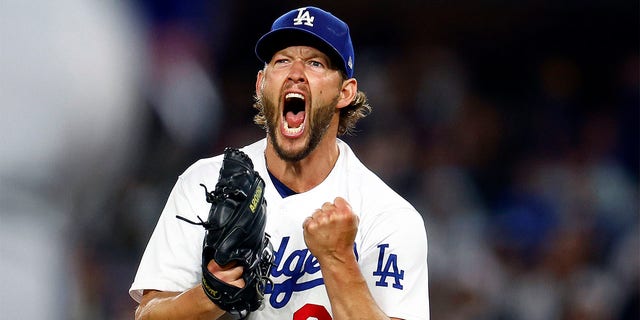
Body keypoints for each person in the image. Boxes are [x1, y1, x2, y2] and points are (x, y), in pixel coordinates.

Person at [130, 6, 429, 320]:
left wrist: (337, 259)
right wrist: (210, 295)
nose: (295, 73)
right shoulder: (206, 183)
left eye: (315, 63)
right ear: (261, 83)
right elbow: (149, 314)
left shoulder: (386, 215)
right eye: (282, 61)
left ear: (345, 92)